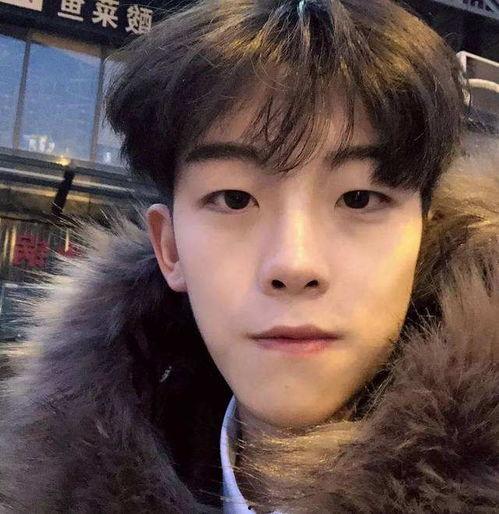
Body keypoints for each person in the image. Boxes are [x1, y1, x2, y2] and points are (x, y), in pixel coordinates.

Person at [0, 1, 498, 512]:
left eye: (358, 199)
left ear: (424, 239)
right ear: (170, 249)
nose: (294, 264)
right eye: (235, 199)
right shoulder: (44, 484)